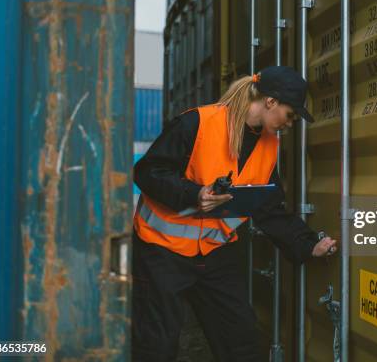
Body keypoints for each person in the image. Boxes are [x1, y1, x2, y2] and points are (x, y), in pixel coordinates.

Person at [131, 66, 337, 361]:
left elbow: (268, 207)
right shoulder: (197, 123)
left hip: (216, 253)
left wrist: (307, 244)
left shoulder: (268, 145)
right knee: (156, 347)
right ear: (270, 102)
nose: (290, 124)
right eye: (290, 115)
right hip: (162, 251)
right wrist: (193, 194)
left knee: (240, 342)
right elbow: (148, 171)